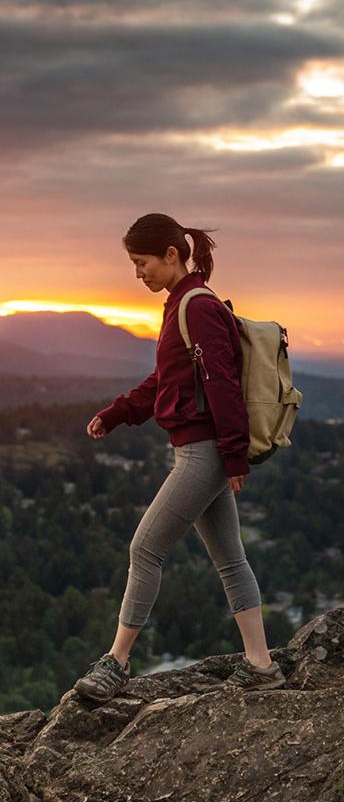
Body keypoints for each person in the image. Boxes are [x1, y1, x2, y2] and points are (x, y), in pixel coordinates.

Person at [74, 213, 285, 701]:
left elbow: (224, 384)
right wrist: (119, 412)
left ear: (172, 254)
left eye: (141, 262)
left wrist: (234, 457)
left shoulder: (197, 306)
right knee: (231, 558)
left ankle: (117, 662)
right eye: (133, 264)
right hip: (200, 450)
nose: (137, 273)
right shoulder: (181, 306)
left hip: (204, 453)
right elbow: (167, 383)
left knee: (144, 548)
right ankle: (261, 665)